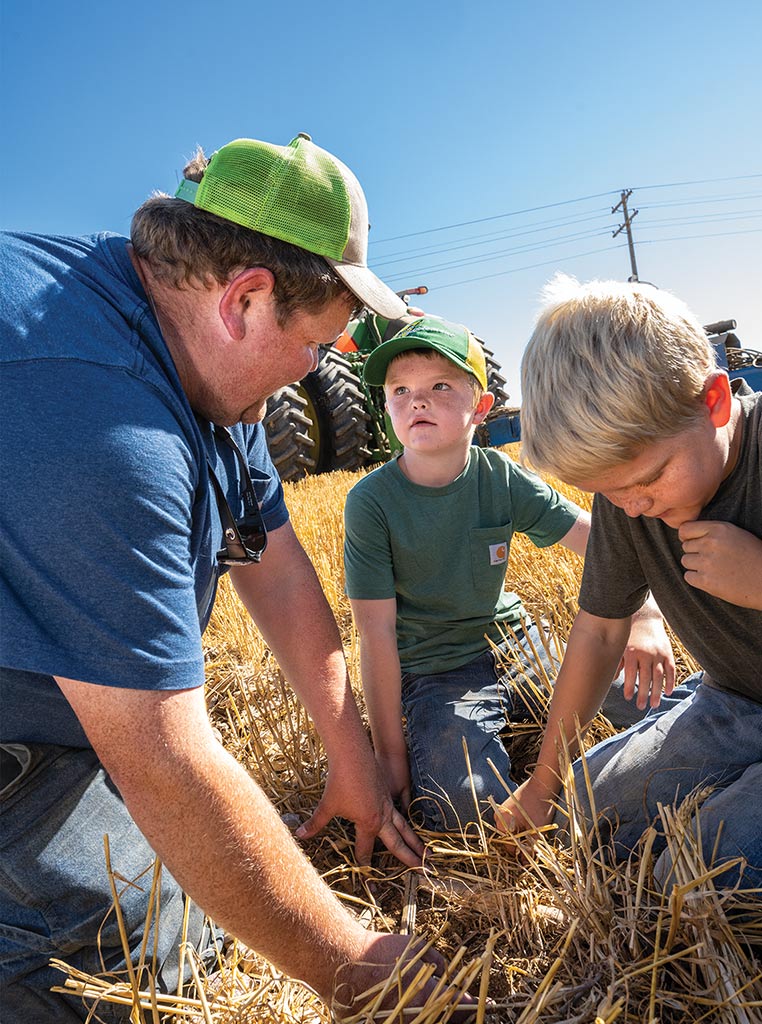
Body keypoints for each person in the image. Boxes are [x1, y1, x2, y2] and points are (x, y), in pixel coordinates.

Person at [0, 133, 463, 1022]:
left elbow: (277, 567)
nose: (316, 371)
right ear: (246, 298)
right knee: (131, 949)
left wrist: (351, 753)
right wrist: (352, 964)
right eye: (318, 346)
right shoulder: (100, 434)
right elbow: (165, 760)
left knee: (204, 887)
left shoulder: (198, 352)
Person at [343, 315, 676, 833]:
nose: (417, 401)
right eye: (400, 390)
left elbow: (601, 541)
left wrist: (644, 613)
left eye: (440, 386)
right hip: (437, 670)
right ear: (386, 405)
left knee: (648, 700)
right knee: (465, 809)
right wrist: (388, 756)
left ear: (481, 408)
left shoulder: (501, 477)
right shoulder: (371, 503)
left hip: (515, 643)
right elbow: (375, 633)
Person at [495, 275, 762, 891]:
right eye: (610, 492)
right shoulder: (628, 498)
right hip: (737, 700)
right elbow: (595, 635)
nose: (633, 506)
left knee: (697, 883)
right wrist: (542, 784)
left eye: (649, 479)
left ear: (713, 402)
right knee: (587, 812)